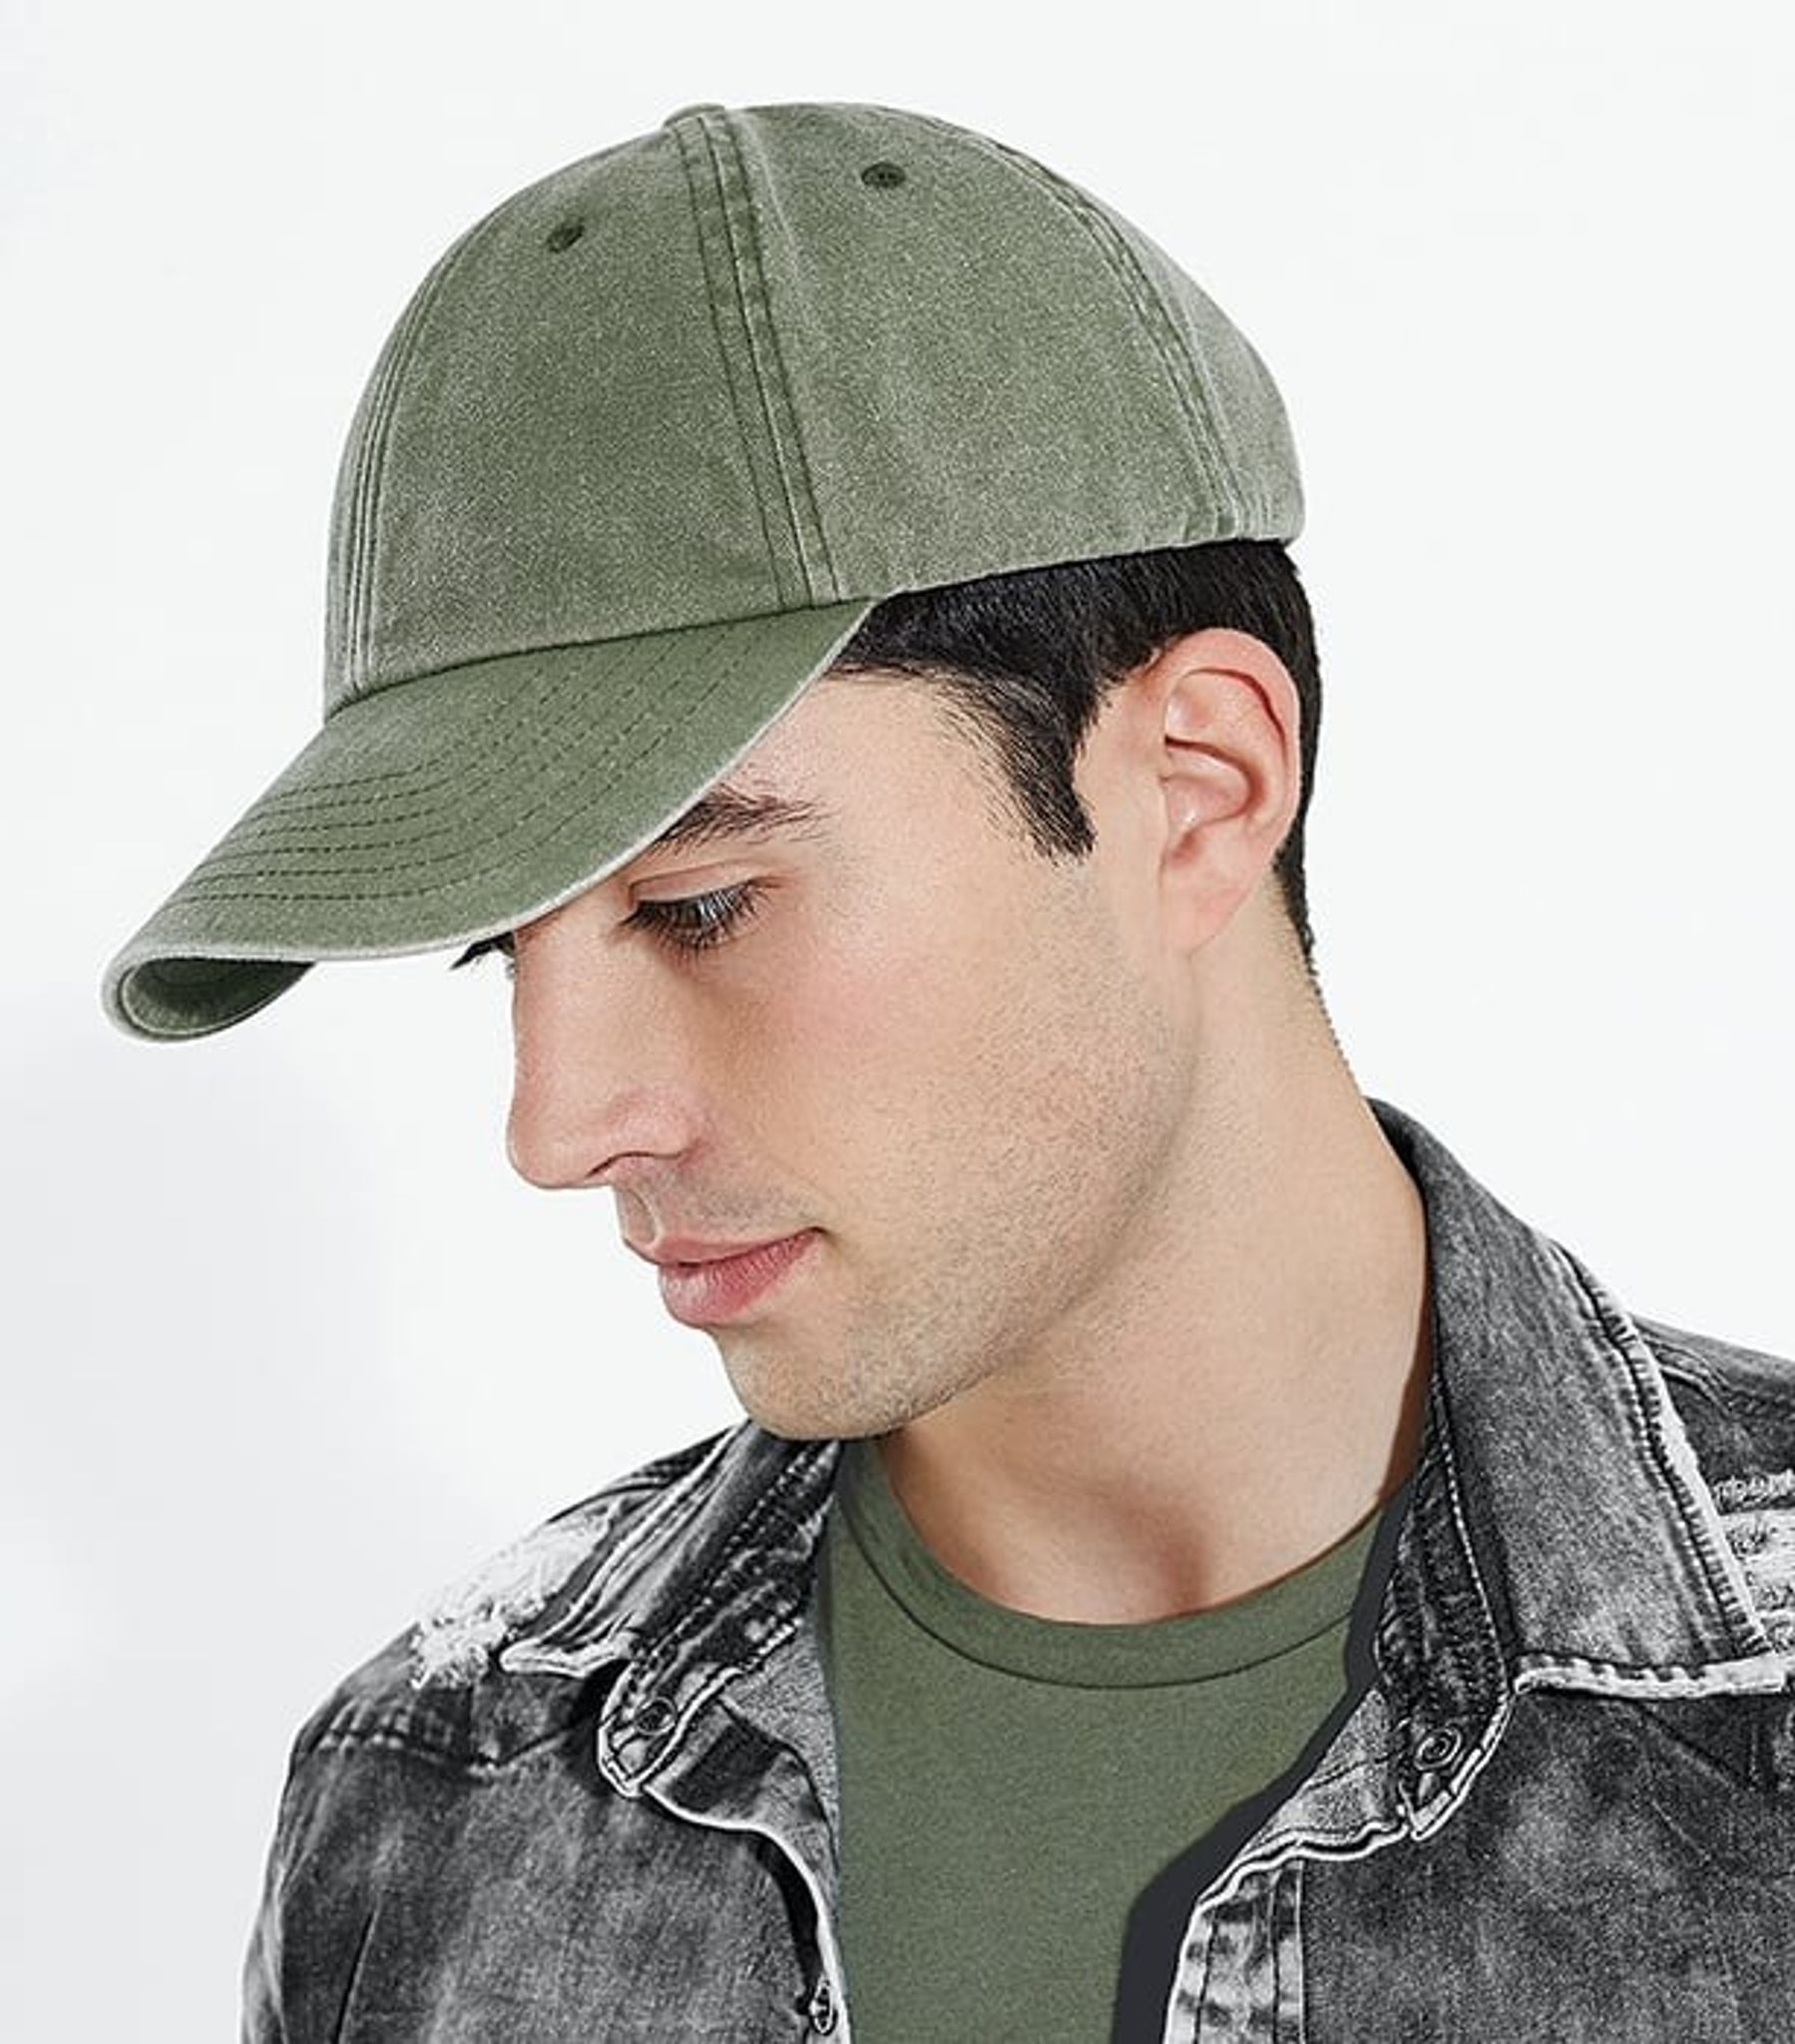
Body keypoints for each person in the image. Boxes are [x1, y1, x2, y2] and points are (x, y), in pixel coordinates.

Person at [100, 100, 1795, 2044]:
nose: (555, 1127)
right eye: (505, 951)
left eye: (702, 907)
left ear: (1196, 788)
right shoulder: (432, 1812)